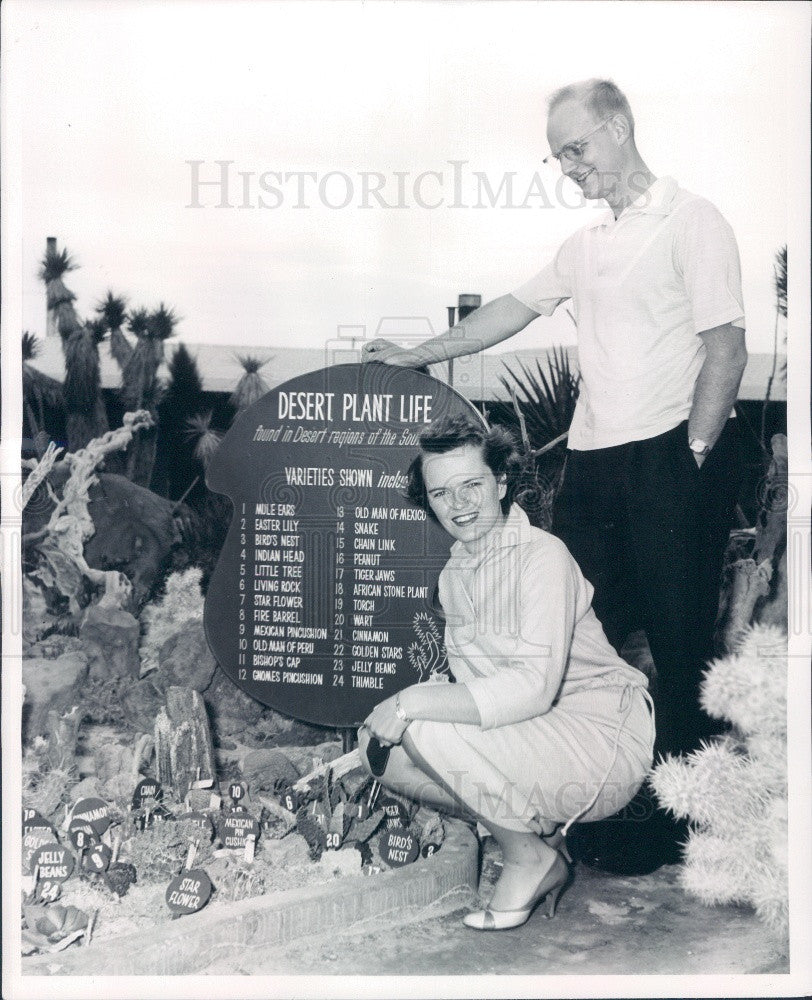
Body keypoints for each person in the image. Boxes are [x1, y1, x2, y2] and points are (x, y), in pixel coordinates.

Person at [361, 78, 747, 872]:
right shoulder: (586, 244)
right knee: (574, 635)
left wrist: (695, 454)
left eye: (577, 149)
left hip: (671, 457)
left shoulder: (693, 219)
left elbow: (726, 350)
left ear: (619, 127)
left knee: (679, 648)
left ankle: (679, 821)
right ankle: (578, 790)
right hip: (595, 463)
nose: (570, 168)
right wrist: (414, 356)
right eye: (558, 156)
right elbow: (511, 309)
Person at [358, 415, 654, 930]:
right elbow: (479, 690)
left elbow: (532, 689)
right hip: (541, 740)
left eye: (472, 485)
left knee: (423, 724)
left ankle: (527, 856)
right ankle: (535, 835)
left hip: (602, 740)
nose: (459, 505)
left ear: (500, 483)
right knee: (377, 751)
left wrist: (409, 702)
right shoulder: (455, 575)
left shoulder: (543, 556)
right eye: (441, 493)